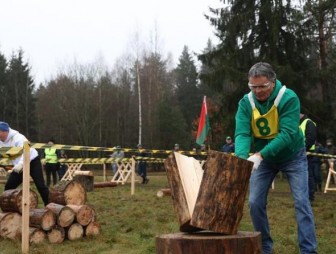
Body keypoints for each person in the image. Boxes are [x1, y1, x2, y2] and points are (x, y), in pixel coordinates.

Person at [234, 62, 317, 254]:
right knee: (254, 202)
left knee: (302, 202)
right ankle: (265, 249)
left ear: (273, 82)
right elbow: (242, 134)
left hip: (292, 156)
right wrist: (241, 160)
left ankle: (308, 250)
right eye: (253, 87)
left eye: (262, 86)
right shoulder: (245, 103)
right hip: (265, 161)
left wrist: (260, 155)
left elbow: (287, 134)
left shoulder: (288, 98)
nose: (257, 91)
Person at [0, 121, 49, 206]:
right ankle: (7, 208)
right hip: (18, 166)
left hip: (32, 161)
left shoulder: (18, 138)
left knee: (40, 185)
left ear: (5, 131)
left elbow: (28, 149)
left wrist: (21, 164)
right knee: (9, 186)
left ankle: (49, 205)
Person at [299, 113, 317, 202]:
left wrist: (303, 150)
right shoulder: (297, 123)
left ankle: (310, 197)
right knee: (302, 177)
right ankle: (304, 197)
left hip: (307, 154)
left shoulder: (308, 122)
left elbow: (311, 138)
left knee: (308, 176)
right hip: (299, 154)